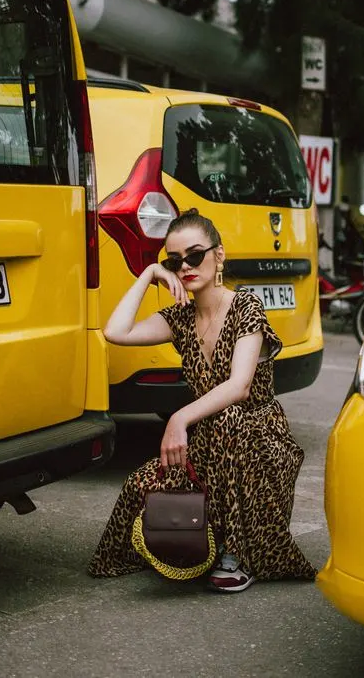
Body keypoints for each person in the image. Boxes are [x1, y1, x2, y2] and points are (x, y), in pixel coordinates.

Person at [88, 208, 316, 592]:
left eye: (195, 255)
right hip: (207, 441)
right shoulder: (181, 316)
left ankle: (237, 551)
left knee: (230, 421)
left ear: (219, 255)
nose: (186, 267)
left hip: (256, 440)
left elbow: (239, 387)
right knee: (142, 484)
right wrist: (149, 273)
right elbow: (116, 331)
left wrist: (178, 420)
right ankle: (188, 545)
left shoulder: (246, 308)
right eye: (175, 261)